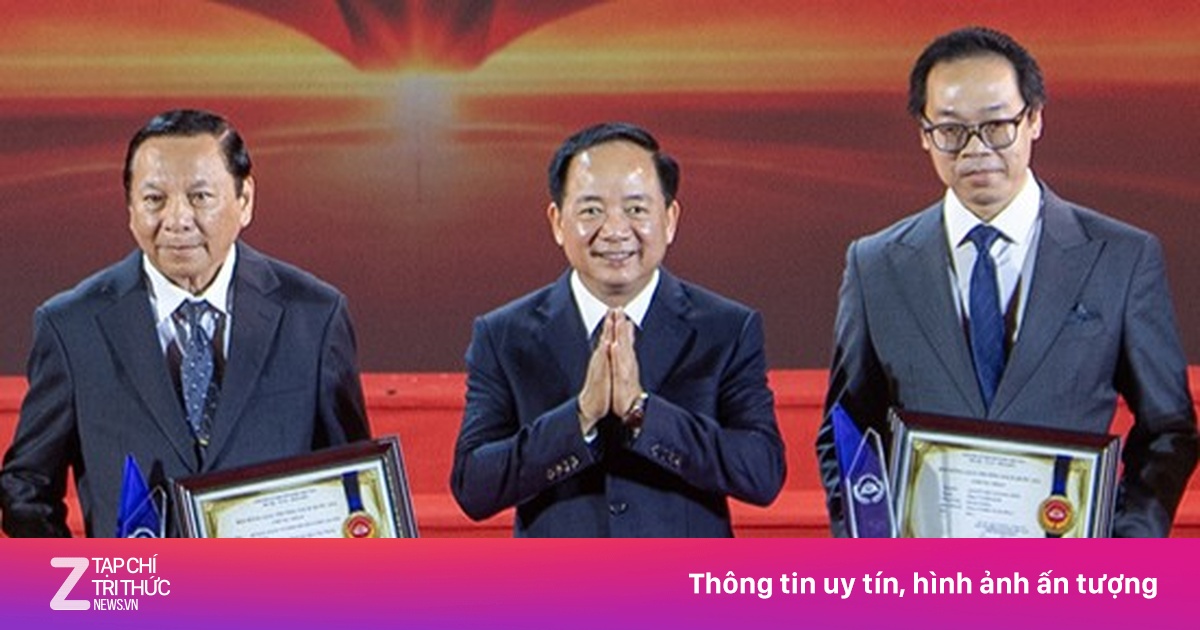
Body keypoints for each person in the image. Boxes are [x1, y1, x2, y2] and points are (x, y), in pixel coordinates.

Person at [818, 26, 1198, 538]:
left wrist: (1123, 547)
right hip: (926, 577)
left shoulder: (1122, 258)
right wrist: (872, 546)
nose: (975, 148)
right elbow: (845, 432)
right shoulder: (875, 265)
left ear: (1034, 119)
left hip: (1069, 572)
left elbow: (1169, 429)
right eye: (950, 130)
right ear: (924, 133)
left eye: (998, 125)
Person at [0, 109, 370, 537]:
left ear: (244, 200)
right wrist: (86, 578)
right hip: (140, 580)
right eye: (154, 199)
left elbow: (356, 484)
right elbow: (26, 487)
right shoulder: (72, 327)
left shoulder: (314, 317)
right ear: (130, 208)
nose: (177, 220)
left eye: (200, 197)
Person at [451, 122, 786, 537]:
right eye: (591, 210)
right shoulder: (504, 335)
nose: (614, 230)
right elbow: (473, 486)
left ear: (669, 219)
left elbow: (762, 472)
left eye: (636, 209)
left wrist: (642, 412)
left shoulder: (726, 328)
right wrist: (580, 416)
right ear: (557, 222)